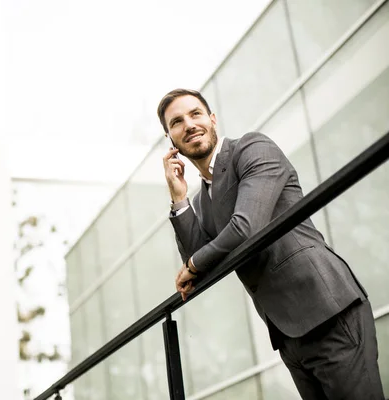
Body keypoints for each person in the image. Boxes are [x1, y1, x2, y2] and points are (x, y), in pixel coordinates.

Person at [159, 88, 385, 399]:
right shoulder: (203, 200)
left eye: (195, 114)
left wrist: (194, 265)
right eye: (177, 122)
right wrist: (179, 199)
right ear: (171, 140)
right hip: (287, 334)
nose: (189, 124)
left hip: (327, 312)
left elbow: (246, 228)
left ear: (212, 119)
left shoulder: (252, 148)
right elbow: (199, 265)